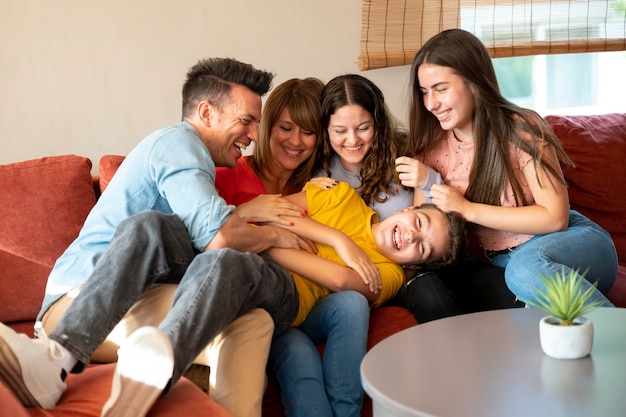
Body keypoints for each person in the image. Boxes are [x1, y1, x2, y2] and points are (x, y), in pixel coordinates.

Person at [0, 57, 311, 416]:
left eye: (257, 124)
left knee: (252, 318)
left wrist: (247, 217)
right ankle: (58, 358)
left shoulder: (191, 162)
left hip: (102, 299)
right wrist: (273, 236)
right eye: (246, 121)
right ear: (206, 113)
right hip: (89, 302)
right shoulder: (179, 145)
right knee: (199, 259)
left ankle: (99, 366)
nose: (255, 136)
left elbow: (201, 237)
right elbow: (220, 237)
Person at [402, 28, 617, 306]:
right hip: (511, 265)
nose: (431, 103)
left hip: (574, 245)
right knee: (517, 283)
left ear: (473, 81)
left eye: (441, 89)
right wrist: (427, 183)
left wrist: (467, 209)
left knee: (523, 270)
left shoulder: (520, 129)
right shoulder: (430, 151)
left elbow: (555, 218)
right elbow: (432, 234)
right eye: (424, 92)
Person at [313, 73, 468, 325]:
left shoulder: (404, 154)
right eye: (340, 131)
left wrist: (427, 179)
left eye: (363, 128)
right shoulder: (320, 172)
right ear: (325, 129)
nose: (352, 140)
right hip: (357, 278)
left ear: (378, 123)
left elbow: (435, 222)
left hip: (406, 271)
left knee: (441, 292)